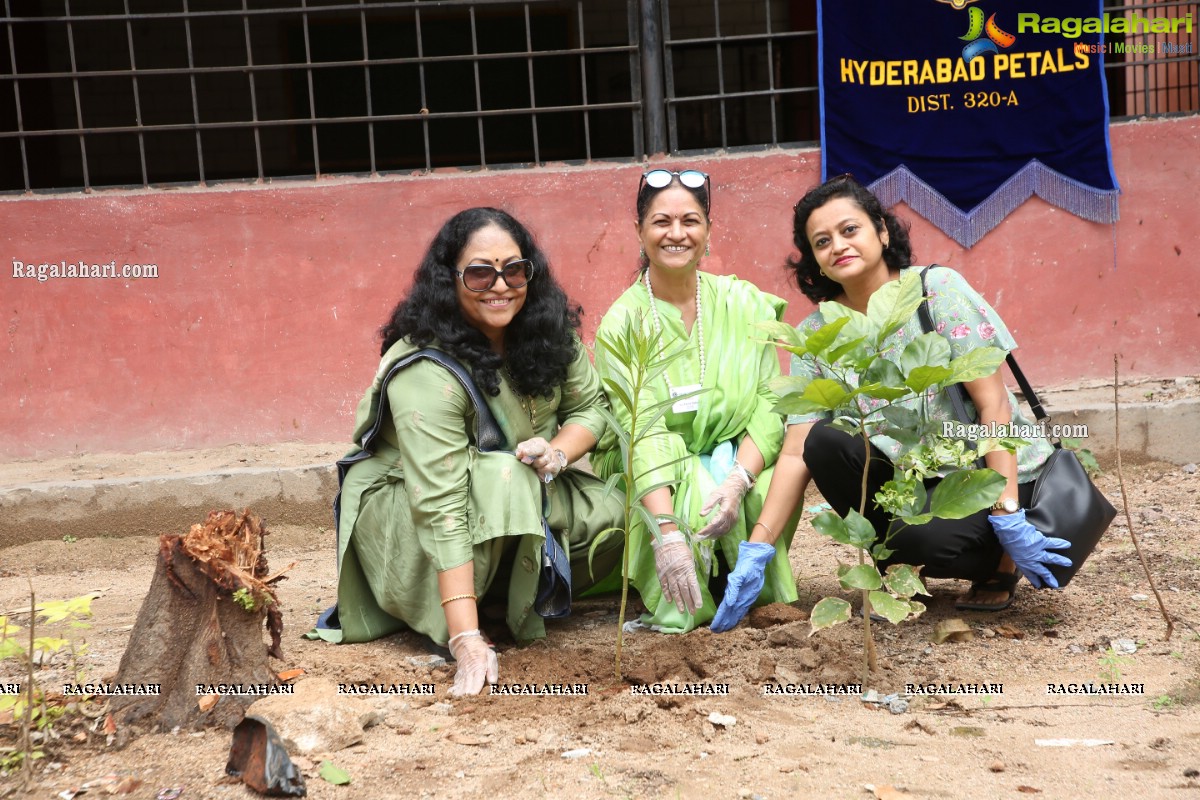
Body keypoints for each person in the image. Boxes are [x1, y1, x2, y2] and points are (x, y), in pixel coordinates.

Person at [711, 175, 1069, 630]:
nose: (837, 245)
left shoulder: (936, 291)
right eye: (821, 241)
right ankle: (904, 558)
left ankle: (999, 555)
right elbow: (798, 448)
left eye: (849, 230)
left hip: (981, 476)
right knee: (826, 442)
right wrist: (757, 547)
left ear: (881, 231)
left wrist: (1007, 510)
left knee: (934, 544)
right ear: (815, 261)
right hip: (911, 485)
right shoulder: (819, 334)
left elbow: (993, 406)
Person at [321, 207, 624, 695]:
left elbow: (592, 409)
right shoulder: (426, 367)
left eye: (514, 270)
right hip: (411, 512)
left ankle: (503, 597)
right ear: (451, 280)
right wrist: (464, 639)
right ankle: (462, 610)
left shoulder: (545, 331)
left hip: (519, 488)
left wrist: (558, 454)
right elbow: (439, 503)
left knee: (616, 512)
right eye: (480, 272)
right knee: (504, 476)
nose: (500, 285)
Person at [591, 169, 800, 634]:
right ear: (640, 231)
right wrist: (666, 532)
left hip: (734, 454)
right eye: (661, 221)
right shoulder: (623, 322)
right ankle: (680, 579)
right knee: (684, 507)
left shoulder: (742, 302)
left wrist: (738, 478)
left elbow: (770, 402)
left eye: (691, 220)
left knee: (765, 489)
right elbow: (640, 429)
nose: (677, 234)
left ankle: (743, 580)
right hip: (652, 465)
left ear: (708, 230)